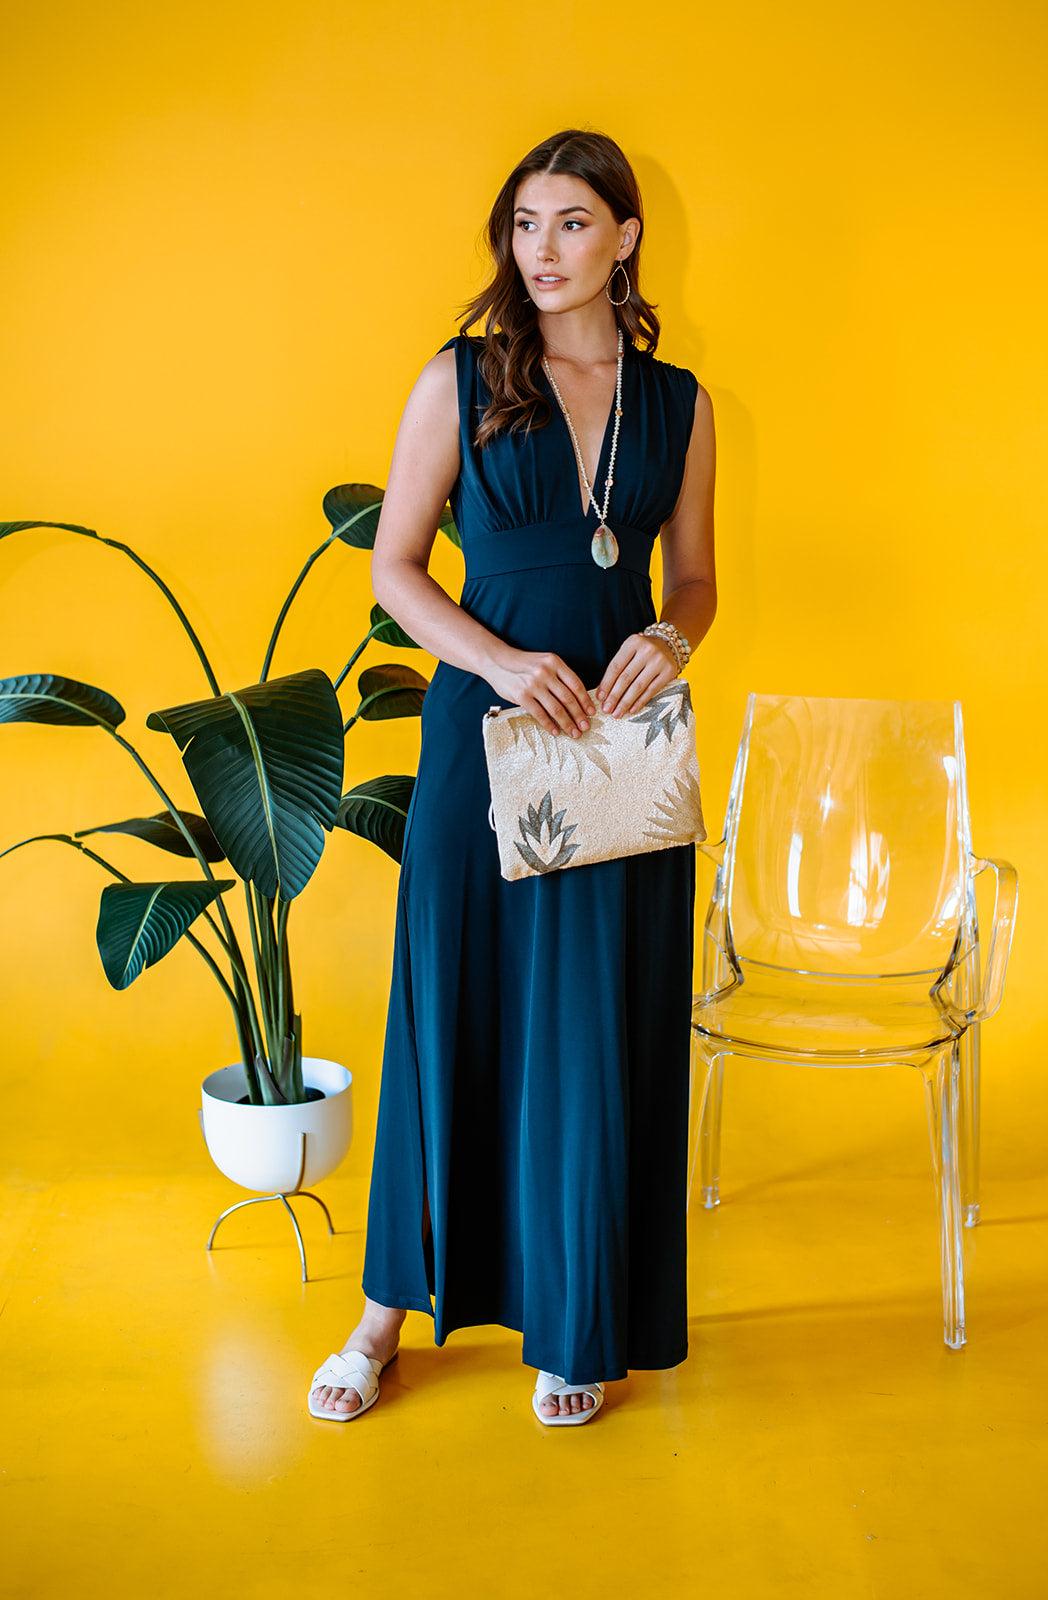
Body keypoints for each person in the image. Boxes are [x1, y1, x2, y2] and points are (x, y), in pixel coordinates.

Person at [308, 127, 717, 1426]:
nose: (542, 252)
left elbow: (694, 577)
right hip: (485, 741)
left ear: (625, 237)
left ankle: (577, 1317)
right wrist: (495, 660)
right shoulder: (461, 378)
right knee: (453, 1014)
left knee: (596, 1032)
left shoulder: (681, 403)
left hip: (618, 747)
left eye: (572, 224)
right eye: (525, 225)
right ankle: (383, 1317)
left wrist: (668, 634)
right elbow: (394, 564)